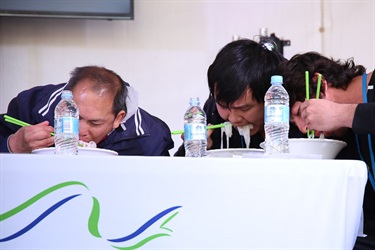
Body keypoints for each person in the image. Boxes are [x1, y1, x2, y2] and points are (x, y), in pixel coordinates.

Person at [279, 51, 375, 249]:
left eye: (300, 112)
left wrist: (341, 114)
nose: (304, 129)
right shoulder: (343, 138)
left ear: (320, 84)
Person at [0, 66, 174, 156]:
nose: (80, 131)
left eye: (95, 123)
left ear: (118, 118)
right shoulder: (32, 107)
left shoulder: (148, 138)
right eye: (74, 117)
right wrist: (12, 145)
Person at [174, 38, 303, 156]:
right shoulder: (212, 112)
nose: (234, 119)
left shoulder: (298, 117)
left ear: (269, 99)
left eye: (245, 108)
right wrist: (199, 151)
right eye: (224, 106)